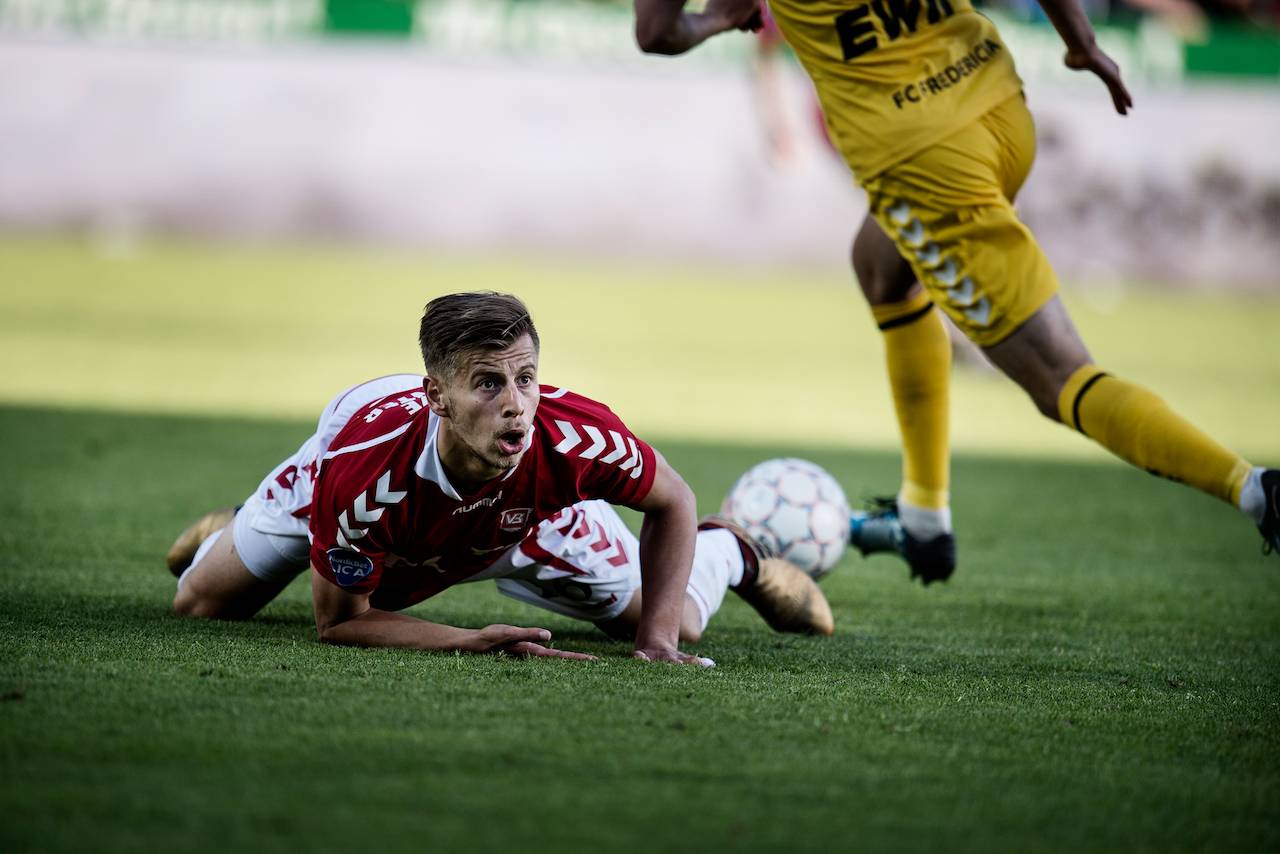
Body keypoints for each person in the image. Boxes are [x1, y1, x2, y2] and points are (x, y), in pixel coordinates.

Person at [633, 0, 1279, 580]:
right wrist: (1081, 41)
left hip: (927, 160)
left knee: (1061, 378)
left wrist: (719, 17)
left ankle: (1255, 490)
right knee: (880, 263)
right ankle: (924, 517)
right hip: (996, 103)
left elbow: (657, 31)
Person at [165, 292, 832, 666]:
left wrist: (655, 644)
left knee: (677, 619)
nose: (516, 404)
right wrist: (470, 640)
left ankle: (730, 551)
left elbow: (673, 499)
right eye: (488, 383)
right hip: (348, 502)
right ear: (437, 396)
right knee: (200, 604)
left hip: (528, 525)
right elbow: (341, 623)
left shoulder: (576, 437)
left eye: (525, 378)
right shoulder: (361, 475)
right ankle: (252, 526)